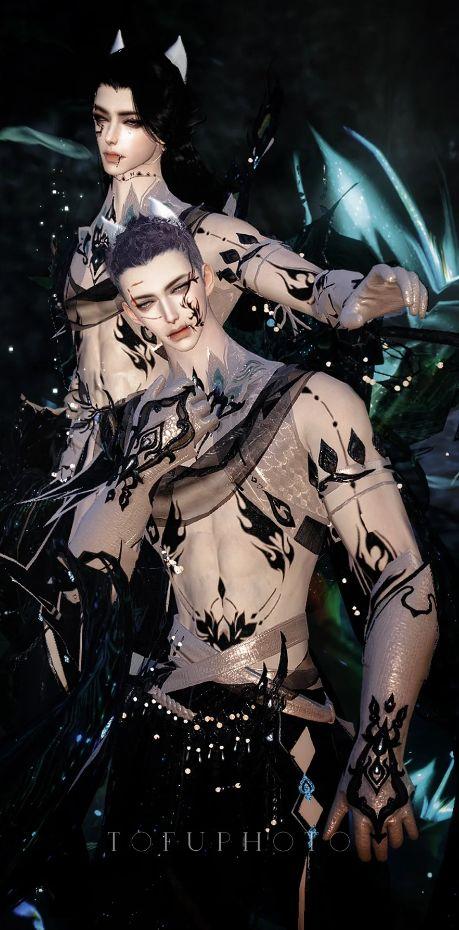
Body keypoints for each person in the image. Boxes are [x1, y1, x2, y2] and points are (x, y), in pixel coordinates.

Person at [65, 214, 438, 929]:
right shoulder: (133, 424)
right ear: (129, 311)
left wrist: (379, 750)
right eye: (146, 301)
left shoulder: (310, 401)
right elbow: (91, 568)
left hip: (279, 733)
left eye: (180, 287)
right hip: (156, 737)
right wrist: (143, 468)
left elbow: (403, 577)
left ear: (206, 278)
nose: (172, 312)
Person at [56, 36, 428, 489]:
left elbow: (290, 274)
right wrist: (72, 443)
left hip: (169, 453)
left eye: (130, 121)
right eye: (101, 119)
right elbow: (87, 361)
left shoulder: (198, 232)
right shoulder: (84, 245)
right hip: (88, 462)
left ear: (163, 127)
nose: (110, 137)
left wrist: (353, 295)